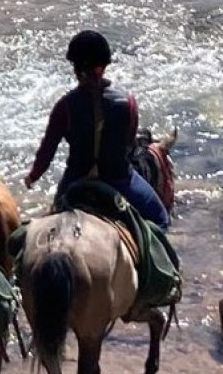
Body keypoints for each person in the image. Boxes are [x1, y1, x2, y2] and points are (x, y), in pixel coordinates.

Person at [27, 31, 171, 231]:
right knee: (161, 219)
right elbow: (129, 142)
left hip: (75, 181)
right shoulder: (127, 103)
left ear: (75, 69)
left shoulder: (65, 106)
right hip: (119, 179)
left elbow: (47, 149)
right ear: (103, 66)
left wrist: (33, 176)